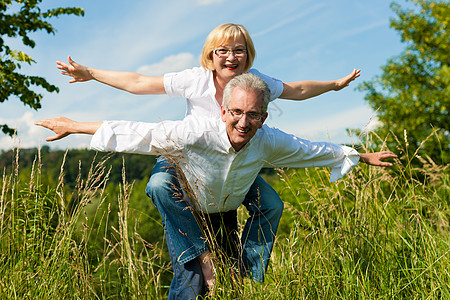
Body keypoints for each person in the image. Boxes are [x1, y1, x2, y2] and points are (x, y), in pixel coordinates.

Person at [36, 73, 396, 299]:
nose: (243, 121)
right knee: (193, 277)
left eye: (253, 114)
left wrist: (360, 156)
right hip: (190, 210)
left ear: (263, 117)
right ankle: (201, 257)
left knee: (233, 279)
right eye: (236, 112)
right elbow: (139, 132)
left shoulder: (268, 140)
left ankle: (247, 278)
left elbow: (309, 149)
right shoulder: (195, 133)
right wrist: (75, 125)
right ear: (223, 112)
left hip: (224, 209)